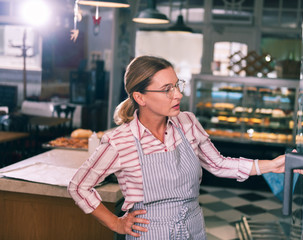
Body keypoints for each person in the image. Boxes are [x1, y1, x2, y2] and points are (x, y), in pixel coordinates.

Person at [68, 55, 288, 239]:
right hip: (149, 234)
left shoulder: (187, 122)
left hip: (193, 229)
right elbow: (78, 186)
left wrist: (271, 165)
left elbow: (218, 164)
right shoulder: (119, 141)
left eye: (177, 85)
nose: (178, 95)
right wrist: (116, 224)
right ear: (139, 97)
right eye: (167, 89)